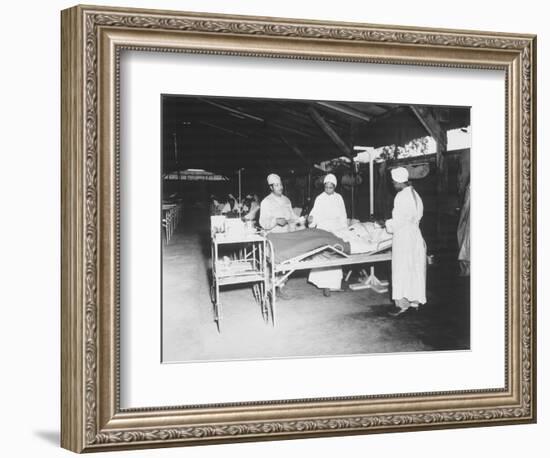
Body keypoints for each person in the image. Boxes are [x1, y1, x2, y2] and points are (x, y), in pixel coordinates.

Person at [385, 167, 427, 316]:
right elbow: (415, 216)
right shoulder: (415, 194)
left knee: (401, 269)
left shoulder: (401, 196)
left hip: (403, 237)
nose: (392, 184)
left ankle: (402, 304)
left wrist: (386, 224)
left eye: (393, 182)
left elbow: (398, 221)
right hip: (415, 235)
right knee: (414, 269)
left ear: (397, 181)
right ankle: (414, 302)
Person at [307, 174, 348, 296]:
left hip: (336, 230)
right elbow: (314, 215)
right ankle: (324, 285)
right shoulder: (320, 198)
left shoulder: (339, 198)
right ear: (324, 186)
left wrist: (344, 230)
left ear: (334, 187)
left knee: (335, 256)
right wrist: (311, 220)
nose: (328, 189)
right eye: (326, 187)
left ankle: (334, 285)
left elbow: (343, 215)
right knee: (324, 256)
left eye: (331, 187)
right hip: (323, 230)